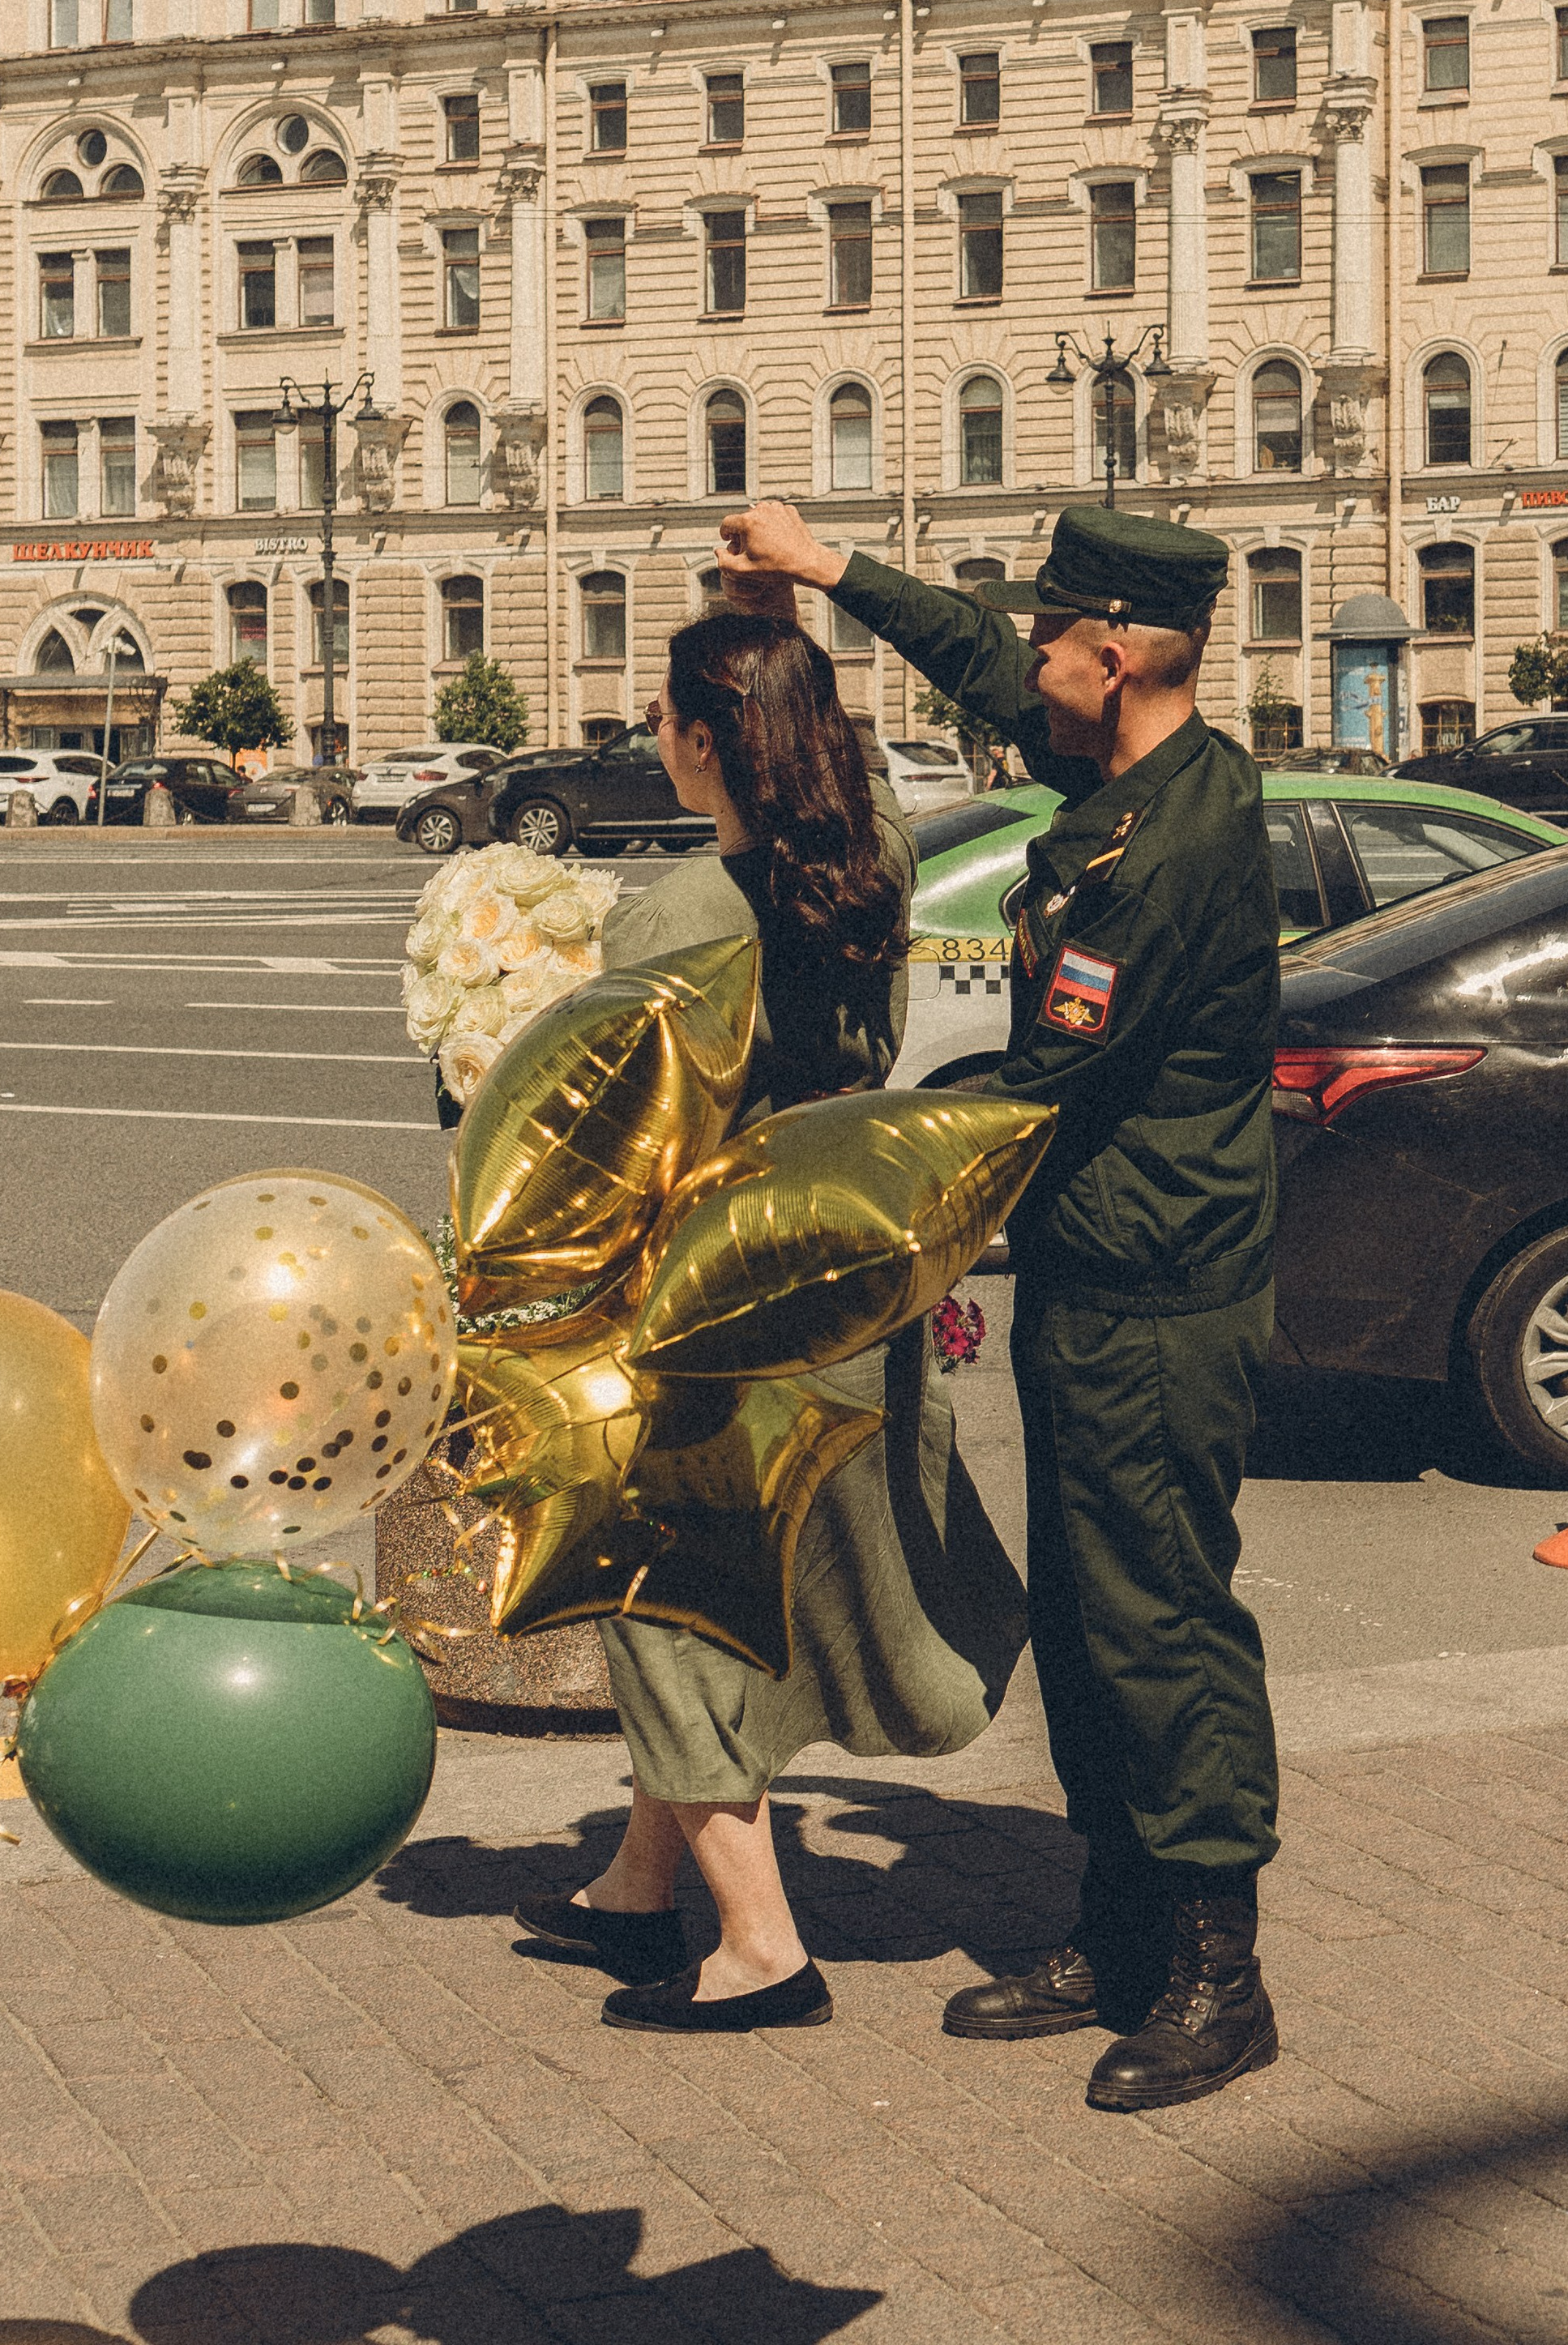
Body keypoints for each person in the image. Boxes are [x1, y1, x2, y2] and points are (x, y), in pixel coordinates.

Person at [717, 498, 1283, 2116]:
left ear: (1114, 657)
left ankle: (1209, 1975)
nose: (1026, 666)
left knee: (1159, 1624)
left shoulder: (1162, 845)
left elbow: (1034, 1086)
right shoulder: (1130, 770)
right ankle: (1113, 1929)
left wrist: (823, 1176)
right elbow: (980, 661)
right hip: (1100, 1275)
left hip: (1158, 1293)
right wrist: (832, 569)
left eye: (1052, 644)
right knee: (1098, 1631)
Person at [515, 609, 1027, 2035]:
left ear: (698, 738)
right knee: (769, 1579)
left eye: (666, 721)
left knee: (663, 1602)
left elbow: (603, 1127)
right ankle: (633, 1891)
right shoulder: (879, 860)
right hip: (844, 1272)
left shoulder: (681, 917)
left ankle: (759, 1948)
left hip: (711, 1298)